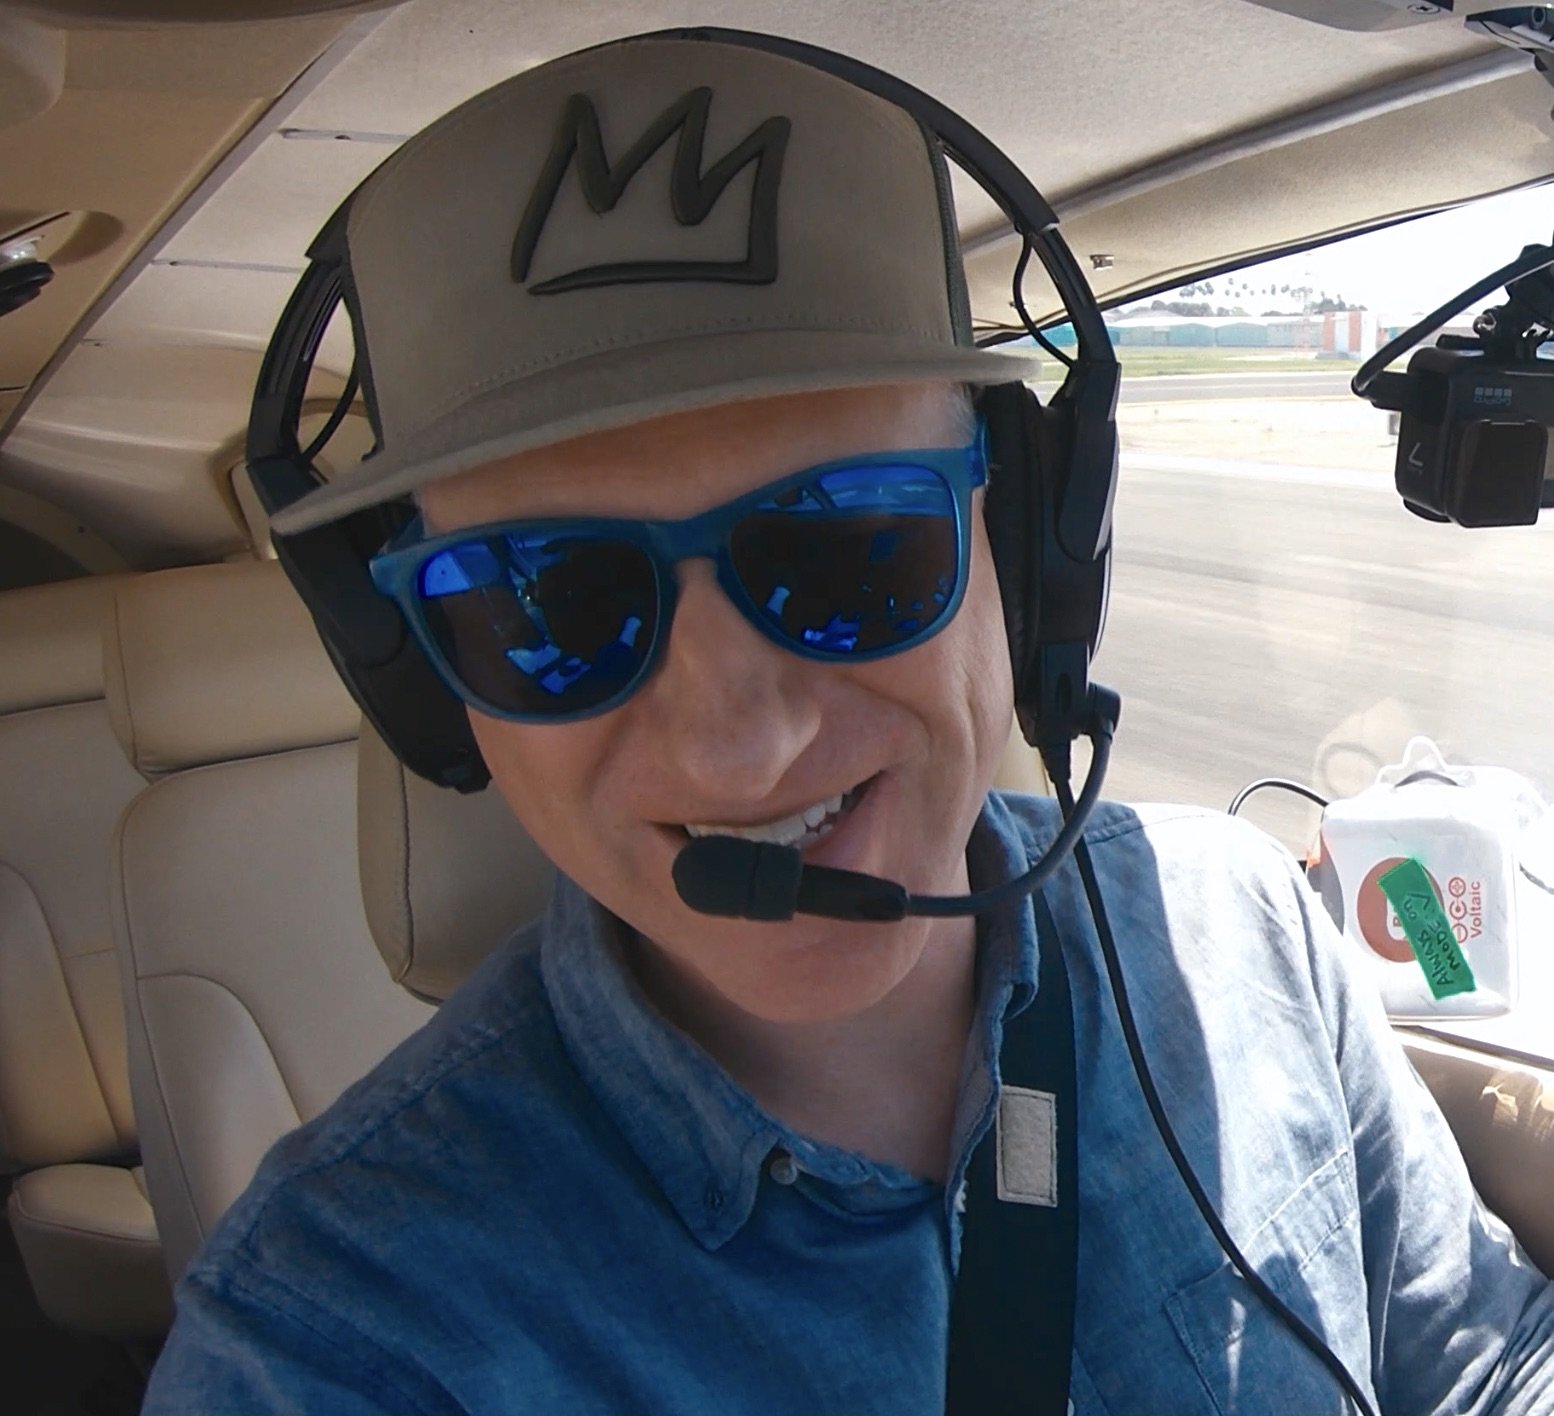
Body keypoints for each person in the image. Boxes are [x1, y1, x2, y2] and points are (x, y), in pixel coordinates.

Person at [143, 30, 1554, 1415]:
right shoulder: (334, 1335)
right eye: (547, 607)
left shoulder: (1234, 930)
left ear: (1025, 551)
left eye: (844, 550)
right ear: (417, 673)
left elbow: (1483, 1363)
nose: (733, 749)